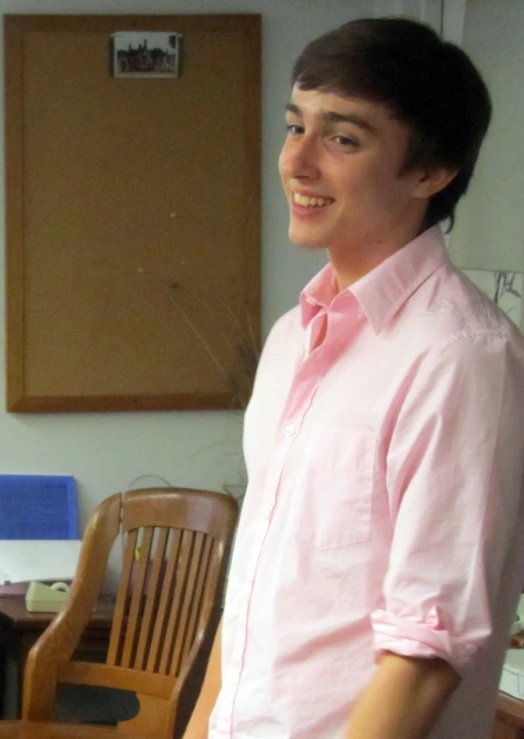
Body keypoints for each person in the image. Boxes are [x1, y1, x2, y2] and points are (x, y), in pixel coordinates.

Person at [184, 17, 524, 739]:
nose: (296, 163)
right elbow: (249, 599)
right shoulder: (290, 338)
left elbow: (425, 649)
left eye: (342, 138)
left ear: (432, 172)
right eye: (293, 125)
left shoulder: (461, 356)